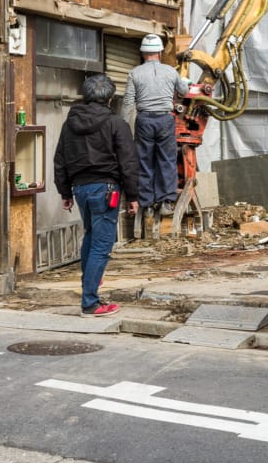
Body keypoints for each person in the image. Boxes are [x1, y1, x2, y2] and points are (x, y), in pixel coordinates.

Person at [54, 74, 139, 317]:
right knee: (102, 244)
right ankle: (90, 303)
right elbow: (128, 161)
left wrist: (65, 191)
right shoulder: (116, 123)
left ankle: (90, 282)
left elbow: (60, 159)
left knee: (91, 237)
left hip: (80, 189)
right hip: (106, 189)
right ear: (111, 98)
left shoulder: (69, 124)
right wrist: (133, 195)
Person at [122, 33, 190, 217]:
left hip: (144, 120)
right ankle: (166, 202)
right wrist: (183, 82)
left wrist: (124, 128)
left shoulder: (134, 73)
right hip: (165, 120)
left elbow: (128, 103)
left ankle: (147, 205)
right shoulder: (170, 71)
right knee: (166, 160)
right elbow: (183, 92)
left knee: (144, 161)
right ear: (160, 52)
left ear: (143, 53)